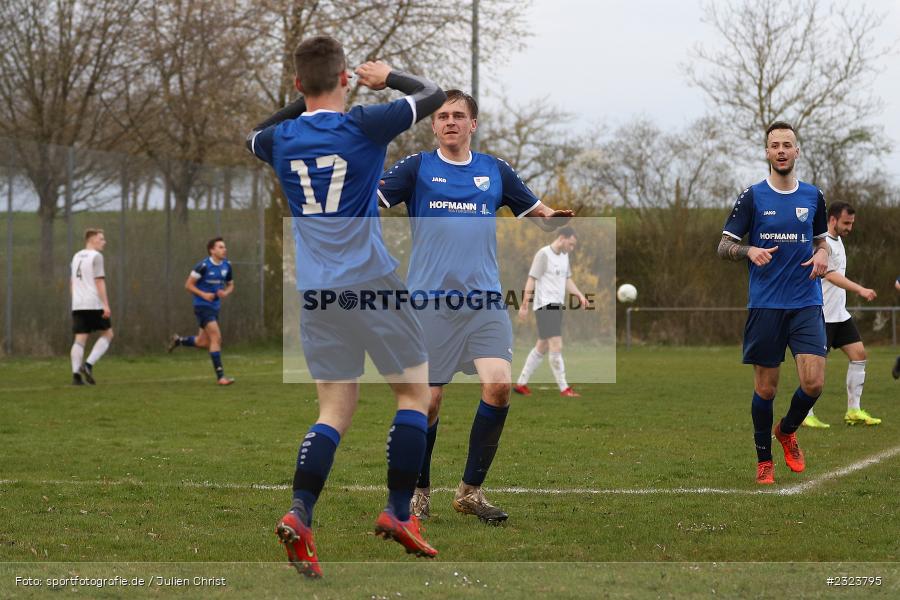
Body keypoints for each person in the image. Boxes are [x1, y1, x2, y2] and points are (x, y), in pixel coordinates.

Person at [246, 35, 446, 578]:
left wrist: (304, 98)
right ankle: (399, 511)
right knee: (415, 392)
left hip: (315, 293)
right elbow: (434, 94)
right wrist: (387, 79)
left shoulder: (280, 139)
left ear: (295, 84)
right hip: (372, 282)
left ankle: (301, 513)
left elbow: (253, 134)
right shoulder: (364, 123)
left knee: (333, 410)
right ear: (344, 79)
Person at [378, 89, 574, 523]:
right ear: (433, 126)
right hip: (429, 302)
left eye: (458, 116)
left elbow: (538, 212)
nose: (449, 121)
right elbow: (372, 198)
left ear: (473, 124)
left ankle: (469, 492)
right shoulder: (417, 167)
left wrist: (554, 219)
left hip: (484, 300)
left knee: (500, 385)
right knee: (427, 401)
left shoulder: (494, 170)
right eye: (442, 116)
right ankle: (419, 491)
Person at [717, 121, 829, 485]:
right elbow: (723, 246)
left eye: (787, 145)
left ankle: (787, 430)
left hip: (805, 302)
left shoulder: (814, 196)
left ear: (797, 151)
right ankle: (764, 460)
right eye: (774, 145)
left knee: (813, 384)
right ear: (767, 152)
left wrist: (823, 253)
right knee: (766, 389)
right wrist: (749, 250)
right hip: (766, 304)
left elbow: (821, 242)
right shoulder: (752, 196)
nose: (781, 150)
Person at [802, 203, 880, 427]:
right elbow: (829, 274)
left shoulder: (839, 241)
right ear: (833, 220)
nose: (850, 227)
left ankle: (853, 411)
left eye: (852, 223)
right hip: (822, 314)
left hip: (840, 315)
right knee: (815, 370)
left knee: (859, 354)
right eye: (846, 223)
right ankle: (806, 416)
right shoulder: (823, 244)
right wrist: (860, 289)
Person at [513, 226, 587, 398]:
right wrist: (524, 305)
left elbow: (567, 280)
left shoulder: (565, 257)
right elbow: (531, 280)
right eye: (571, 244)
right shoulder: (543, 254)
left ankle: (521, 384)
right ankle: (564, 388)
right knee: (556, 345)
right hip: (545, 306)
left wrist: (580, 296)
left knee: (542, 345)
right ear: (562, 238)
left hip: (557, 306)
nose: (572, 248)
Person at [167, 237, 235, 386]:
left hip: (215, 307)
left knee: (203, 342)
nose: (224, 249)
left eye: (224, 247)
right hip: (202, 306)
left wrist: (226, 292)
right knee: (216, 338)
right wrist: (204, 294)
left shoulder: (227, 266)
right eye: (221, 247)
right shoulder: (203, 266)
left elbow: (230, 285)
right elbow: (188, 285)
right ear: (212, 250)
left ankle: (179, 340)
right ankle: (221, 377)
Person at [69, 229, 114, 385]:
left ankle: (75, 375)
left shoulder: (76, 256)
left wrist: (75, 300)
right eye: (101, 239)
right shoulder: (96, 256)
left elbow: (72, 282)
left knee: (80, 339)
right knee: (108, 334)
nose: (104, 242)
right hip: (93, 302)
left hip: (78, 303)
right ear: (92, 239)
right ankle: (87, 365)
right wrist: (106, 305)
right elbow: (99, 281)